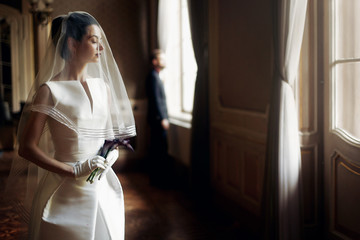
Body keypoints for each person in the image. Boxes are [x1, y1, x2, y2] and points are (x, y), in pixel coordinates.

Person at [5, 12, 136, 240]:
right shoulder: (49, 90)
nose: (101, 48)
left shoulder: (103, 87)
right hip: (65, 189)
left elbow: (109, 136)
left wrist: (110, 156)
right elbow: (26, 147)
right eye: (94, 41)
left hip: (102, 185)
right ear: (73, 44)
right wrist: (74, 171)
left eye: (100, 42)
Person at [146, 49, 171, 186]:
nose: (165, 61)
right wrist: (163, 118)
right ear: (155, 61)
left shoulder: (155, 76)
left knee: (159, 149)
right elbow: (156, 99)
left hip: (156, 119)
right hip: (157, 120)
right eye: (162, 58)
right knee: (159, 150)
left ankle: (158, 179)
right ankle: (160, 181)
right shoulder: (153, 77)